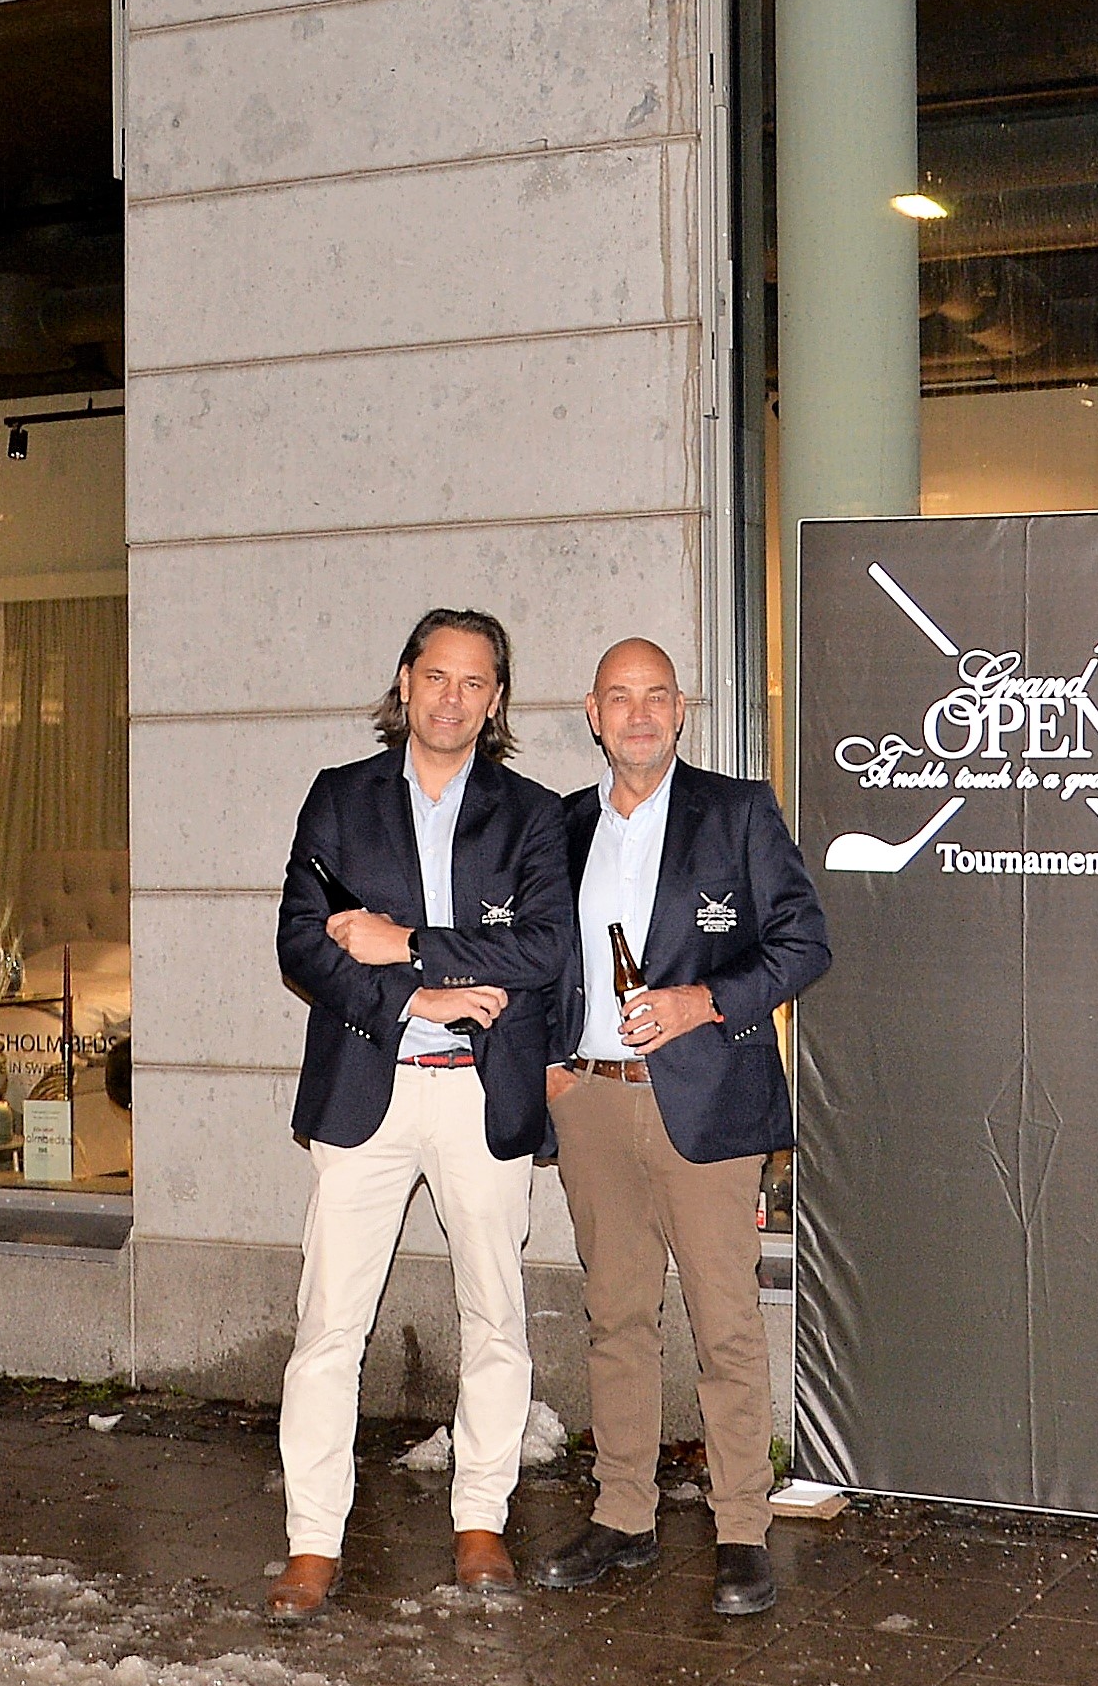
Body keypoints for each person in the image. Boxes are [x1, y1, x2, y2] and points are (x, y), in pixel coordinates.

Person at [265, 608, 574, 1622]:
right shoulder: (339, 798)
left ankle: (481, 1519)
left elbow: (543, 950)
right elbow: (303, 942)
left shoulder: (531, 814)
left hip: (483, 1091)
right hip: (369, 1084)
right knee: (327, 1324)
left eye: (474, 681)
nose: (452, 697)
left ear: (496, 700)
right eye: (436, 675)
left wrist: (406, 945)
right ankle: (313, 1540)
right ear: (404, 681)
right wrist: (416, 999)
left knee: (496, 1316)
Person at [532, 638, 830, 1617]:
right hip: (590, 1102)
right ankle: (623, 1512)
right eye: (619, 697)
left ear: (681, 710)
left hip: (704, 1101)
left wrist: (701, 1000)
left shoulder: (736, 813)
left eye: (656, 695)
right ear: (592, 713)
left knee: (723, 1321)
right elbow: (533, 959)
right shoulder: (559, 827)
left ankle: (741, 1526)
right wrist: (547, 1068)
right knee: (615, 1315)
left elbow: (804, 942)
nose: (639, 713)